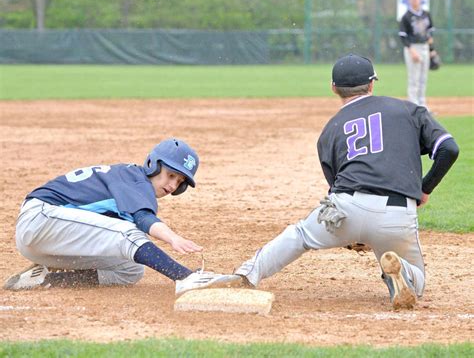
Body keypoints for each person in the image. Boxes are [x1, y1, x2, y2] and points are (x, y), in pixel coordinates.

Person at [215, 54, 459, 310]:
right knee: (416, 285)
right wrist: (425, 188)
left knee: (299, 235)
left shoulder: (330, 130)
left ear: (334, 88)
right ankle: (402, 274)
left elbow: (336, 188)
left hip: (346, 208)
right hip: (396, 213)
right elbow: (449, 150)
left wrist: (355, 230)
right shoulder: (408, 110)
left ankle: (245, 274)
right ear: (372, 84)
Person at [4, 138, 234, 295]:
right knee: (128, 234)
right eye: (171, 174)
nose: (173, 185)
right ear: (154, 165)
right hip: (42, 218)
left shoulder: (132, 184)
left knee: (129, 269)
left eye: (180, 181)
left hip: (47, 242)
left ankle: (43, 278)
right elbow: (144, 220)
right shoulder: (134, 178)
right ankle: (185, 278)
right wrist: (172, 238)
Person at [399, 0, 436, 108]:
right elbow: (403, 37)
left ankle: (422, 104)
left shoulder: (426, 14)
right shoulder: (406, 17)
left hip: (425, 47)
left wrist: (432, 50)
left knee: (423, 78)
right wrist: (411, 51)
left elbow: (429, 34)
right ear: (409, 0)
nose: (415, 0)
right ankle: (413, 105)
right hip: (413, 47)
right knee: (414, 79)